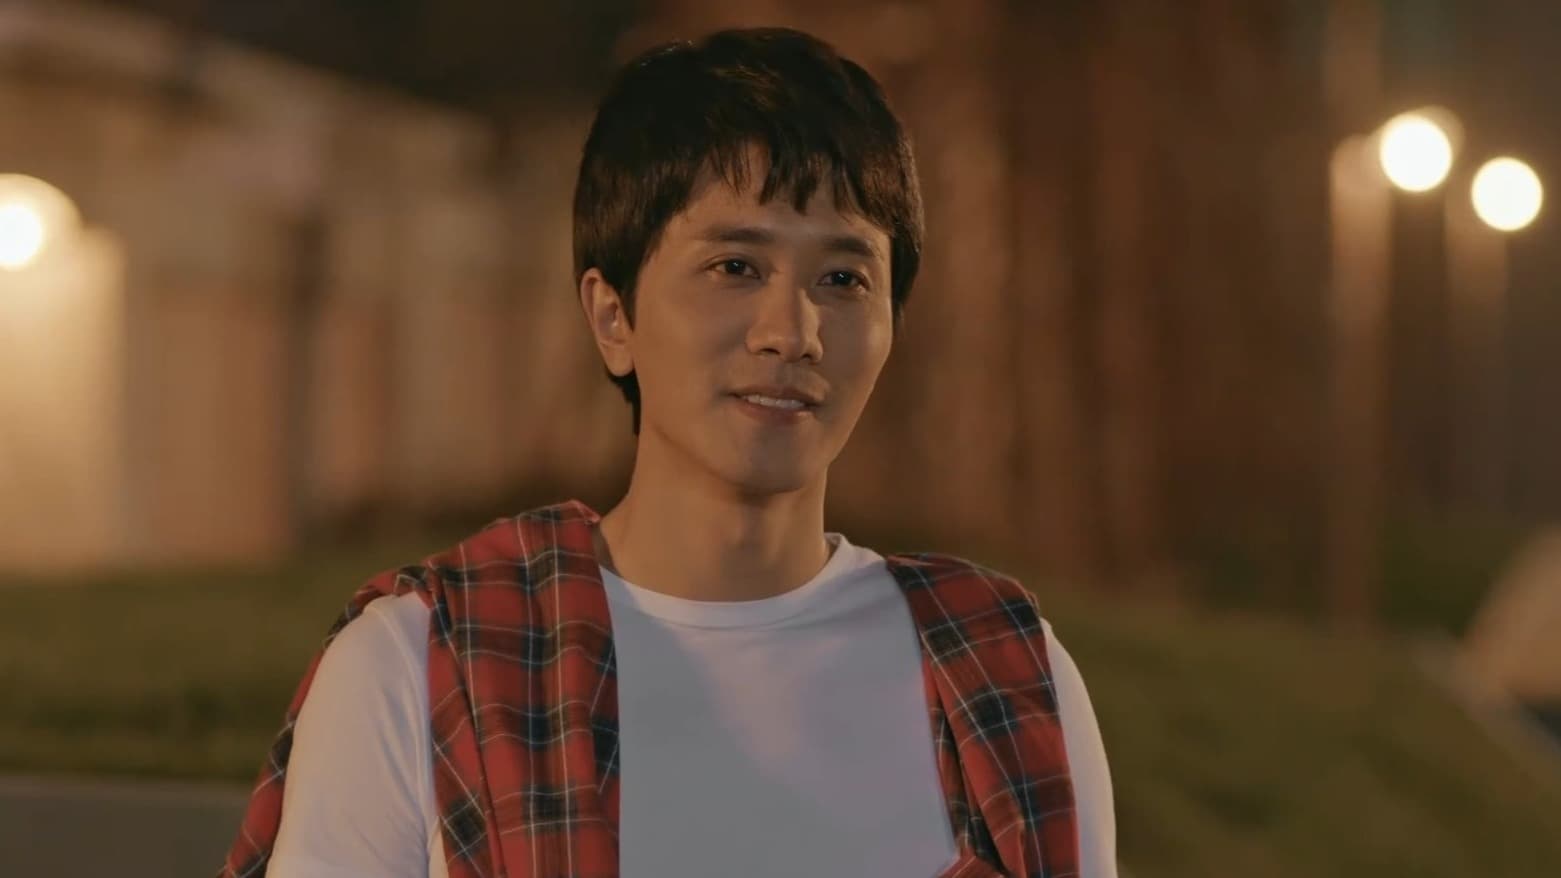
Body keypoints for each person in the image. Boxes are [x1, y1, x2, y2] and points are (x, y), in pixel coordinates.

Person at [221, 26, 1115, 878]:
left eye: (843, 279)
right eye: (735, 267)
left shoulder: (1001, 674)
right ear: (613, 317)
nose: (792, 332)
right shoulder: (426, 664)